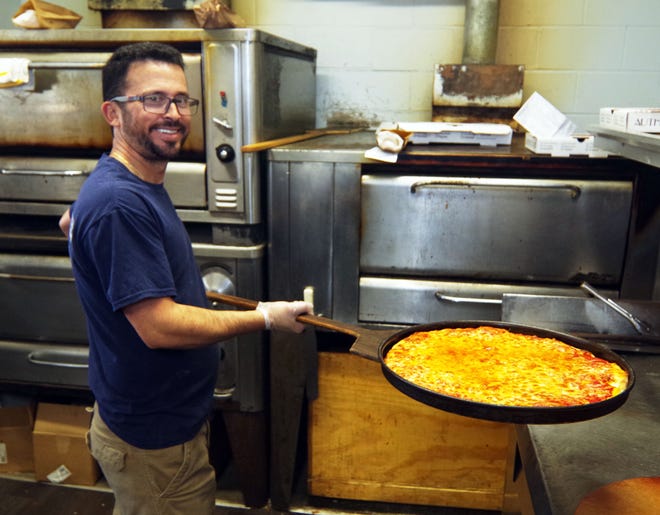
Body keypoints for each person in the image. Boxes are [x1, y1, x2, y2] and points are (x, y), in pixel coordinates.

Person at [59, 42, 312, 515]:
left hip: (164, 425)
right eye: (153, 99)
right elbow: (160, 327)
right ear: (112, 113)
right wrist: (265, 317)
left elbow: (100, 211)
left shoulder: (130, 183)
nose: (173, 112)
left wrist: (83, 215)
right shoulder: (119, 202)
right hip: (154, 442)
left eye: (181, 99)